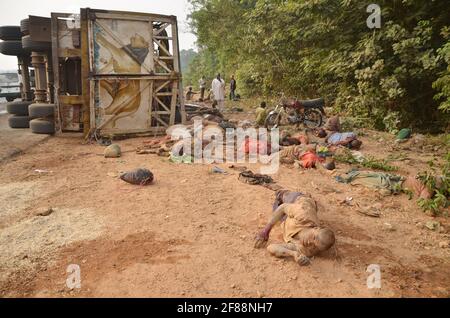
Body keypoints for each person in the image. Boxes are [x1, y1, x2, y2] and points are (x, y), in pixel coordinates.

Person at [254, 190, 336, 266]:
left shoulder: (307, 250)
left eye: (314, 245)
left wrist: (292, 254)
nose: (309, 242)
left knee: (275, 208)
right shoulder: (304, 214)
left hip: (287, 220)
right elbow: (283, 208)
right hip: (299, 201)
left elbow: (271, 248)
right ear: (316, 228)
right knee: (281, 195)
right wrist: (265, 231)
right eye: (314, 237)